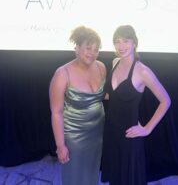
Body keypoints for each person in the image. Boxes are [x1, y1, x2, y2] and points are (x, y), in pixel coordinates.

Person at [101, 25, 171, 185]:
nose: (121, 46)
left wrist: (147, 129)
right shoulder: (115, 62)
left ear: (134, 43)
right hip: (111, 132)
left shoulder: (143, 71)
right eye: (117, 42)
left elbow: (166, 100)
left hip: (130, 135)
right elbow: (112, 95)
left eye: (126, 41)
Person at [49, 26, 106, 185]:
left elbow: (103, 96)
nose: (92, 53)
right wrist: (60, 145)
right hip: (74, 136)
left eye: (96, 49)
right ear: (77, 48)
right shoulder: (62, 73)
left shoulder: (101, 67)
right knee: (74, 177)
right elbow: (56, 112)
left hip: (97, 134)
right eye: (88, 48)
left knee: (91, 173)